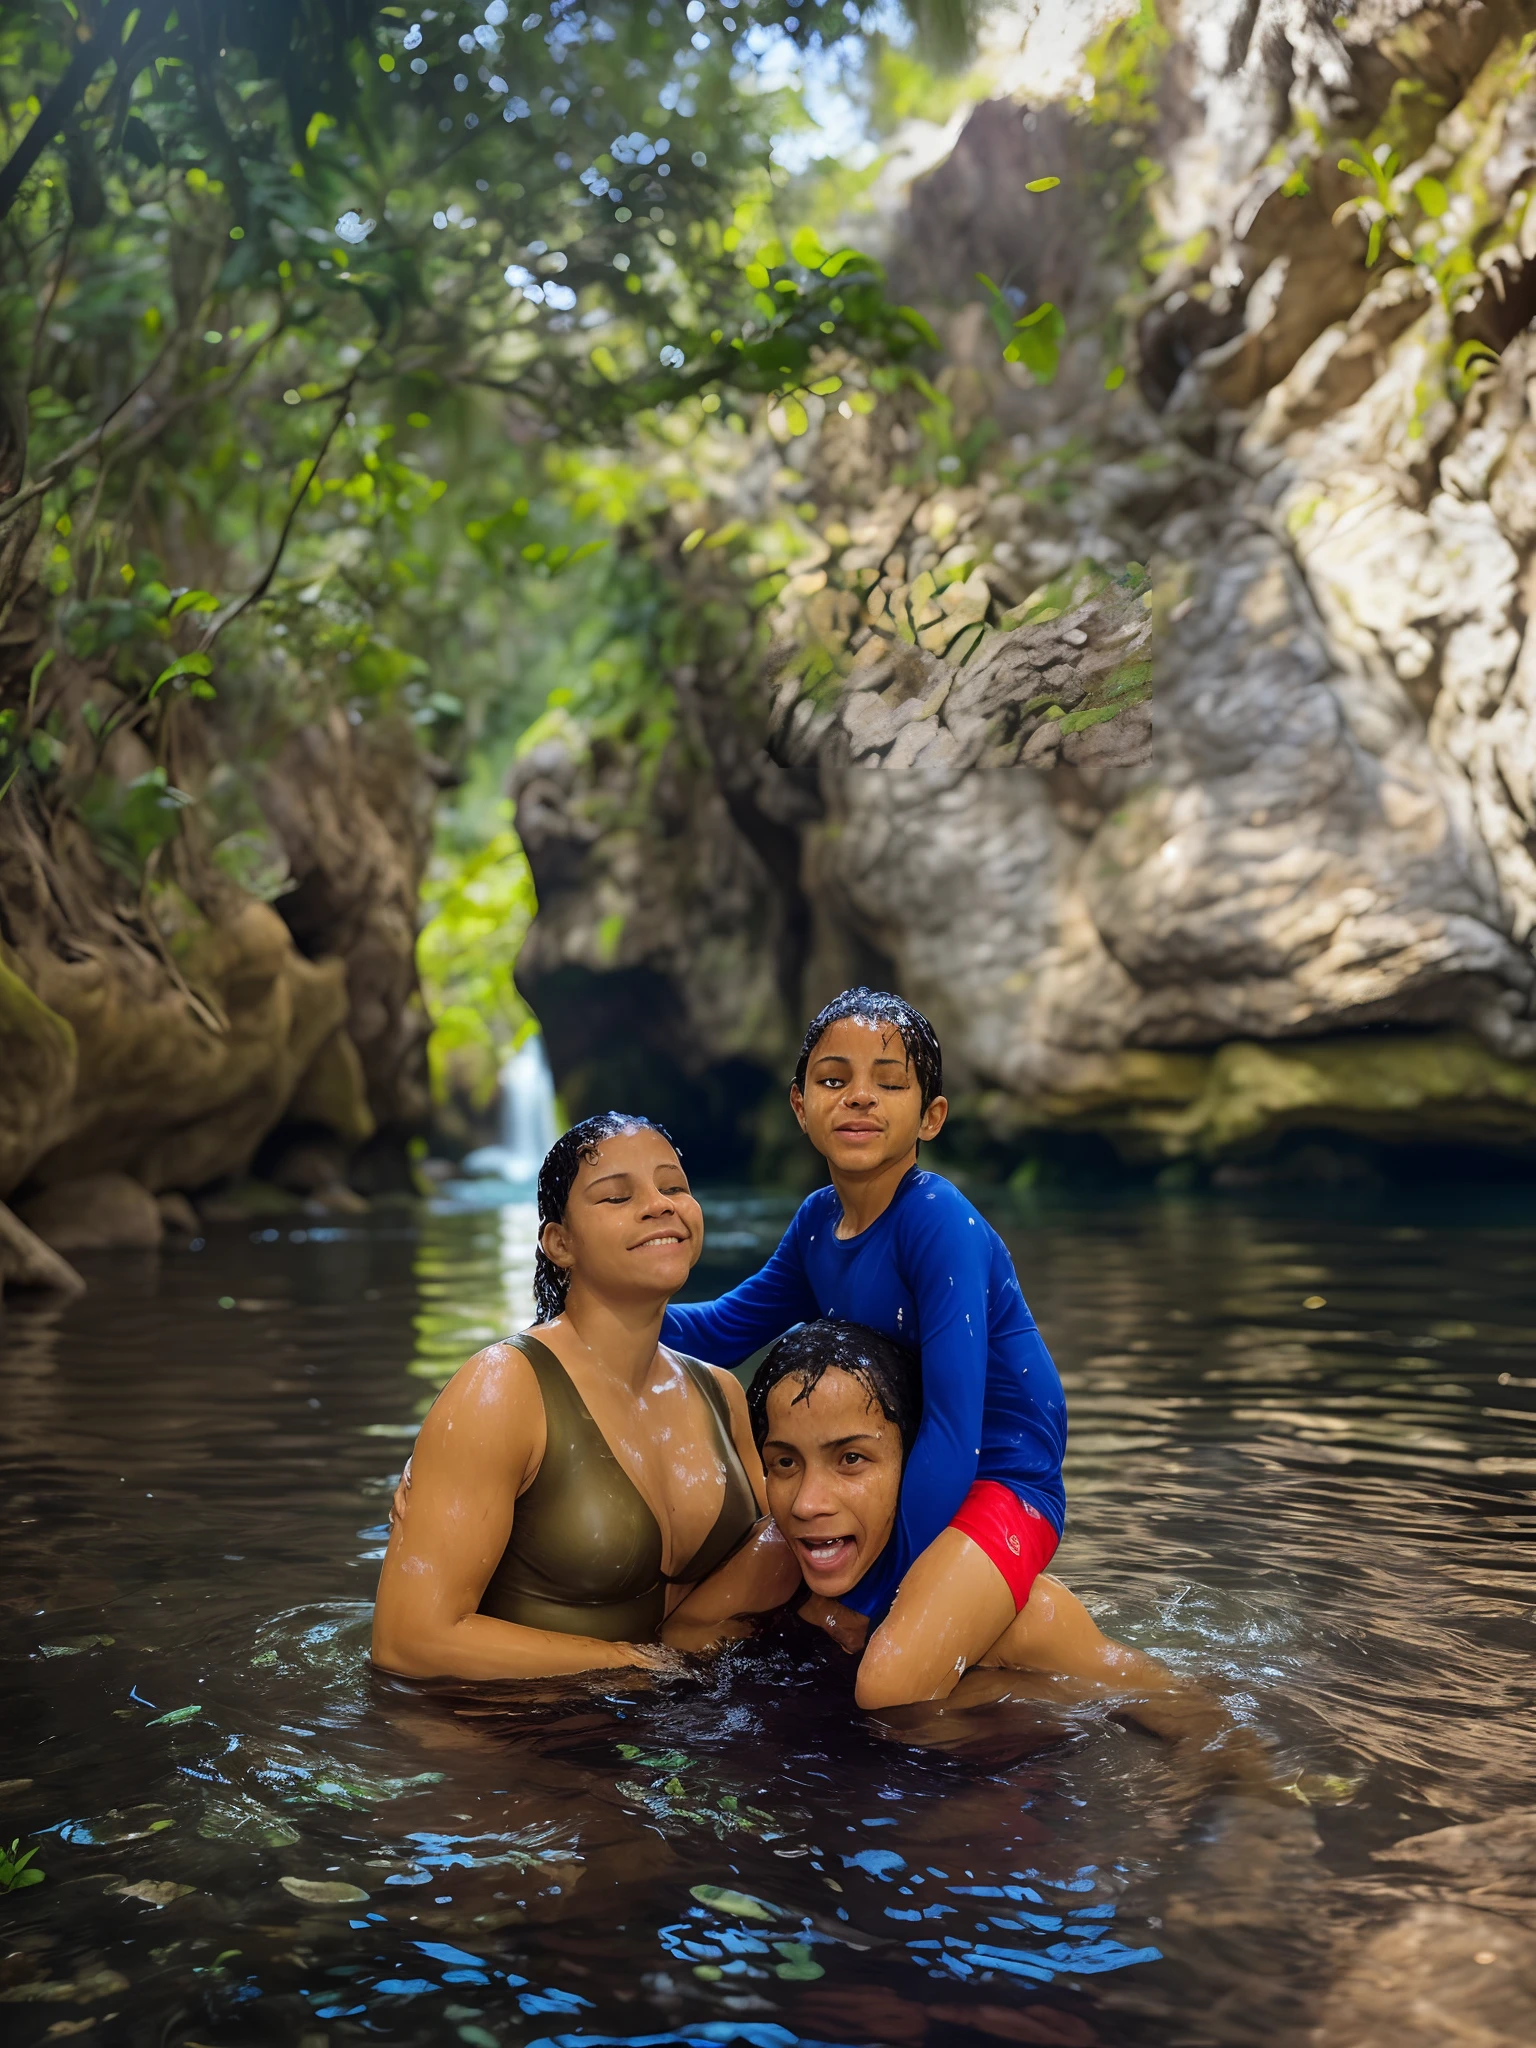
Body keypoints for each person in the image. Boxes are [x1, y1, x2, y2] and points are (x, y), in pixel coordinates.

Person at [661, 987, 1068, 1709]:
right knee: (695, 1628)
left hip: (1002, 1478)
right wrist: (598, 1306)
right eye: (833, 1080)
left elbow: (951, 1429)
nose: (859, 1098)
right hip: (887, 1480)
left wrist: (881, 1593)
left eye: (888, 1082)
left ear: (931, 1116)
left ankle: (1024, 1644)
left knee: (886, 1687)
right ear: (800, 1106)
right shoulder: (819, 1224)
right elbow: (722, 1330)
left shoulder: (937, 1221)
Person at [371, 1112, 798, 1681]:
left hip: (675, 1729)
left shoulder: (719, 1393)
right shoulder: (502, 1390)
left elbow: (792, 1546)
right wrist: (632, 1663)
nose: (660, 1204)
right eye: (617, 1197)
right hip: (515, 1742)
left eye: (673, 1186)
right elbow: (408, 1642)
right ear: (560, 1242)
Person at [743, 1318, 1167, 1702]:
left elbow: (1188, 1712)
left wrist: (988, 1694)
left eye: (852, 1459)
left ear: (916, 1466)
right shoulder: (771, 1584)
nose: (807, 1503)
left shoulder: (1028, 1623)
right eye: (785, 1463)